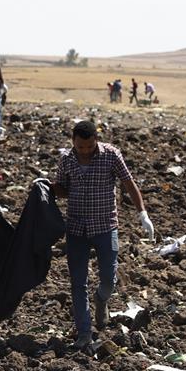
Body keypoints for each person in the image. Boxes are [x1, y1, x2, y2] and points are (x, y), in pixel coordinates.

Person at [51, 120, 154, 349]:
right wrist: (47, 187)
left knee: (109, 277)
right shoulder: (67, 160)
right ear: (73, 143)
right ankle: (84, 333)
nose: (85, 151)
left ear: (96, 140)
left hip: (105, 227)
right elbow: (63, 189)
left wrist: (142, 213)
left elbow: (128, 183)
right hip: (76, 228)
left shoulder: (111, 155)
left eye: (89, 146)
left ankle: (101, 299)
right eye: (80, 147)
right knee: (78, 283)